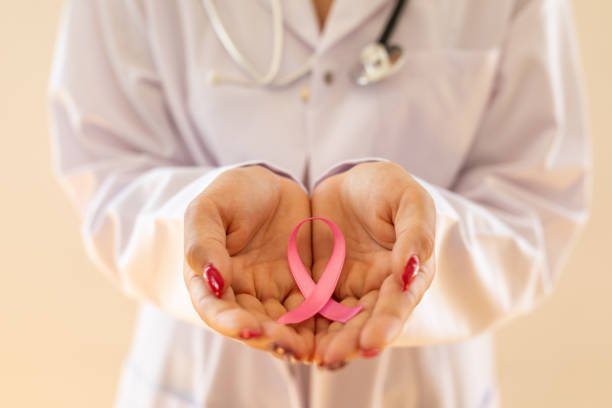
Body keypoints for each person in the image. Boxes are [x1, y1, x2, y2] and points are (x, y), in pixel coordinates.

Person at [48, 0, 591, 406]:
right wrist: (199, 220)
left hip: (419, 387)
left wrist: (425, 237)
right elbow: (105, 168)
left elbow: (537, 200)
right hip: (199, 381)